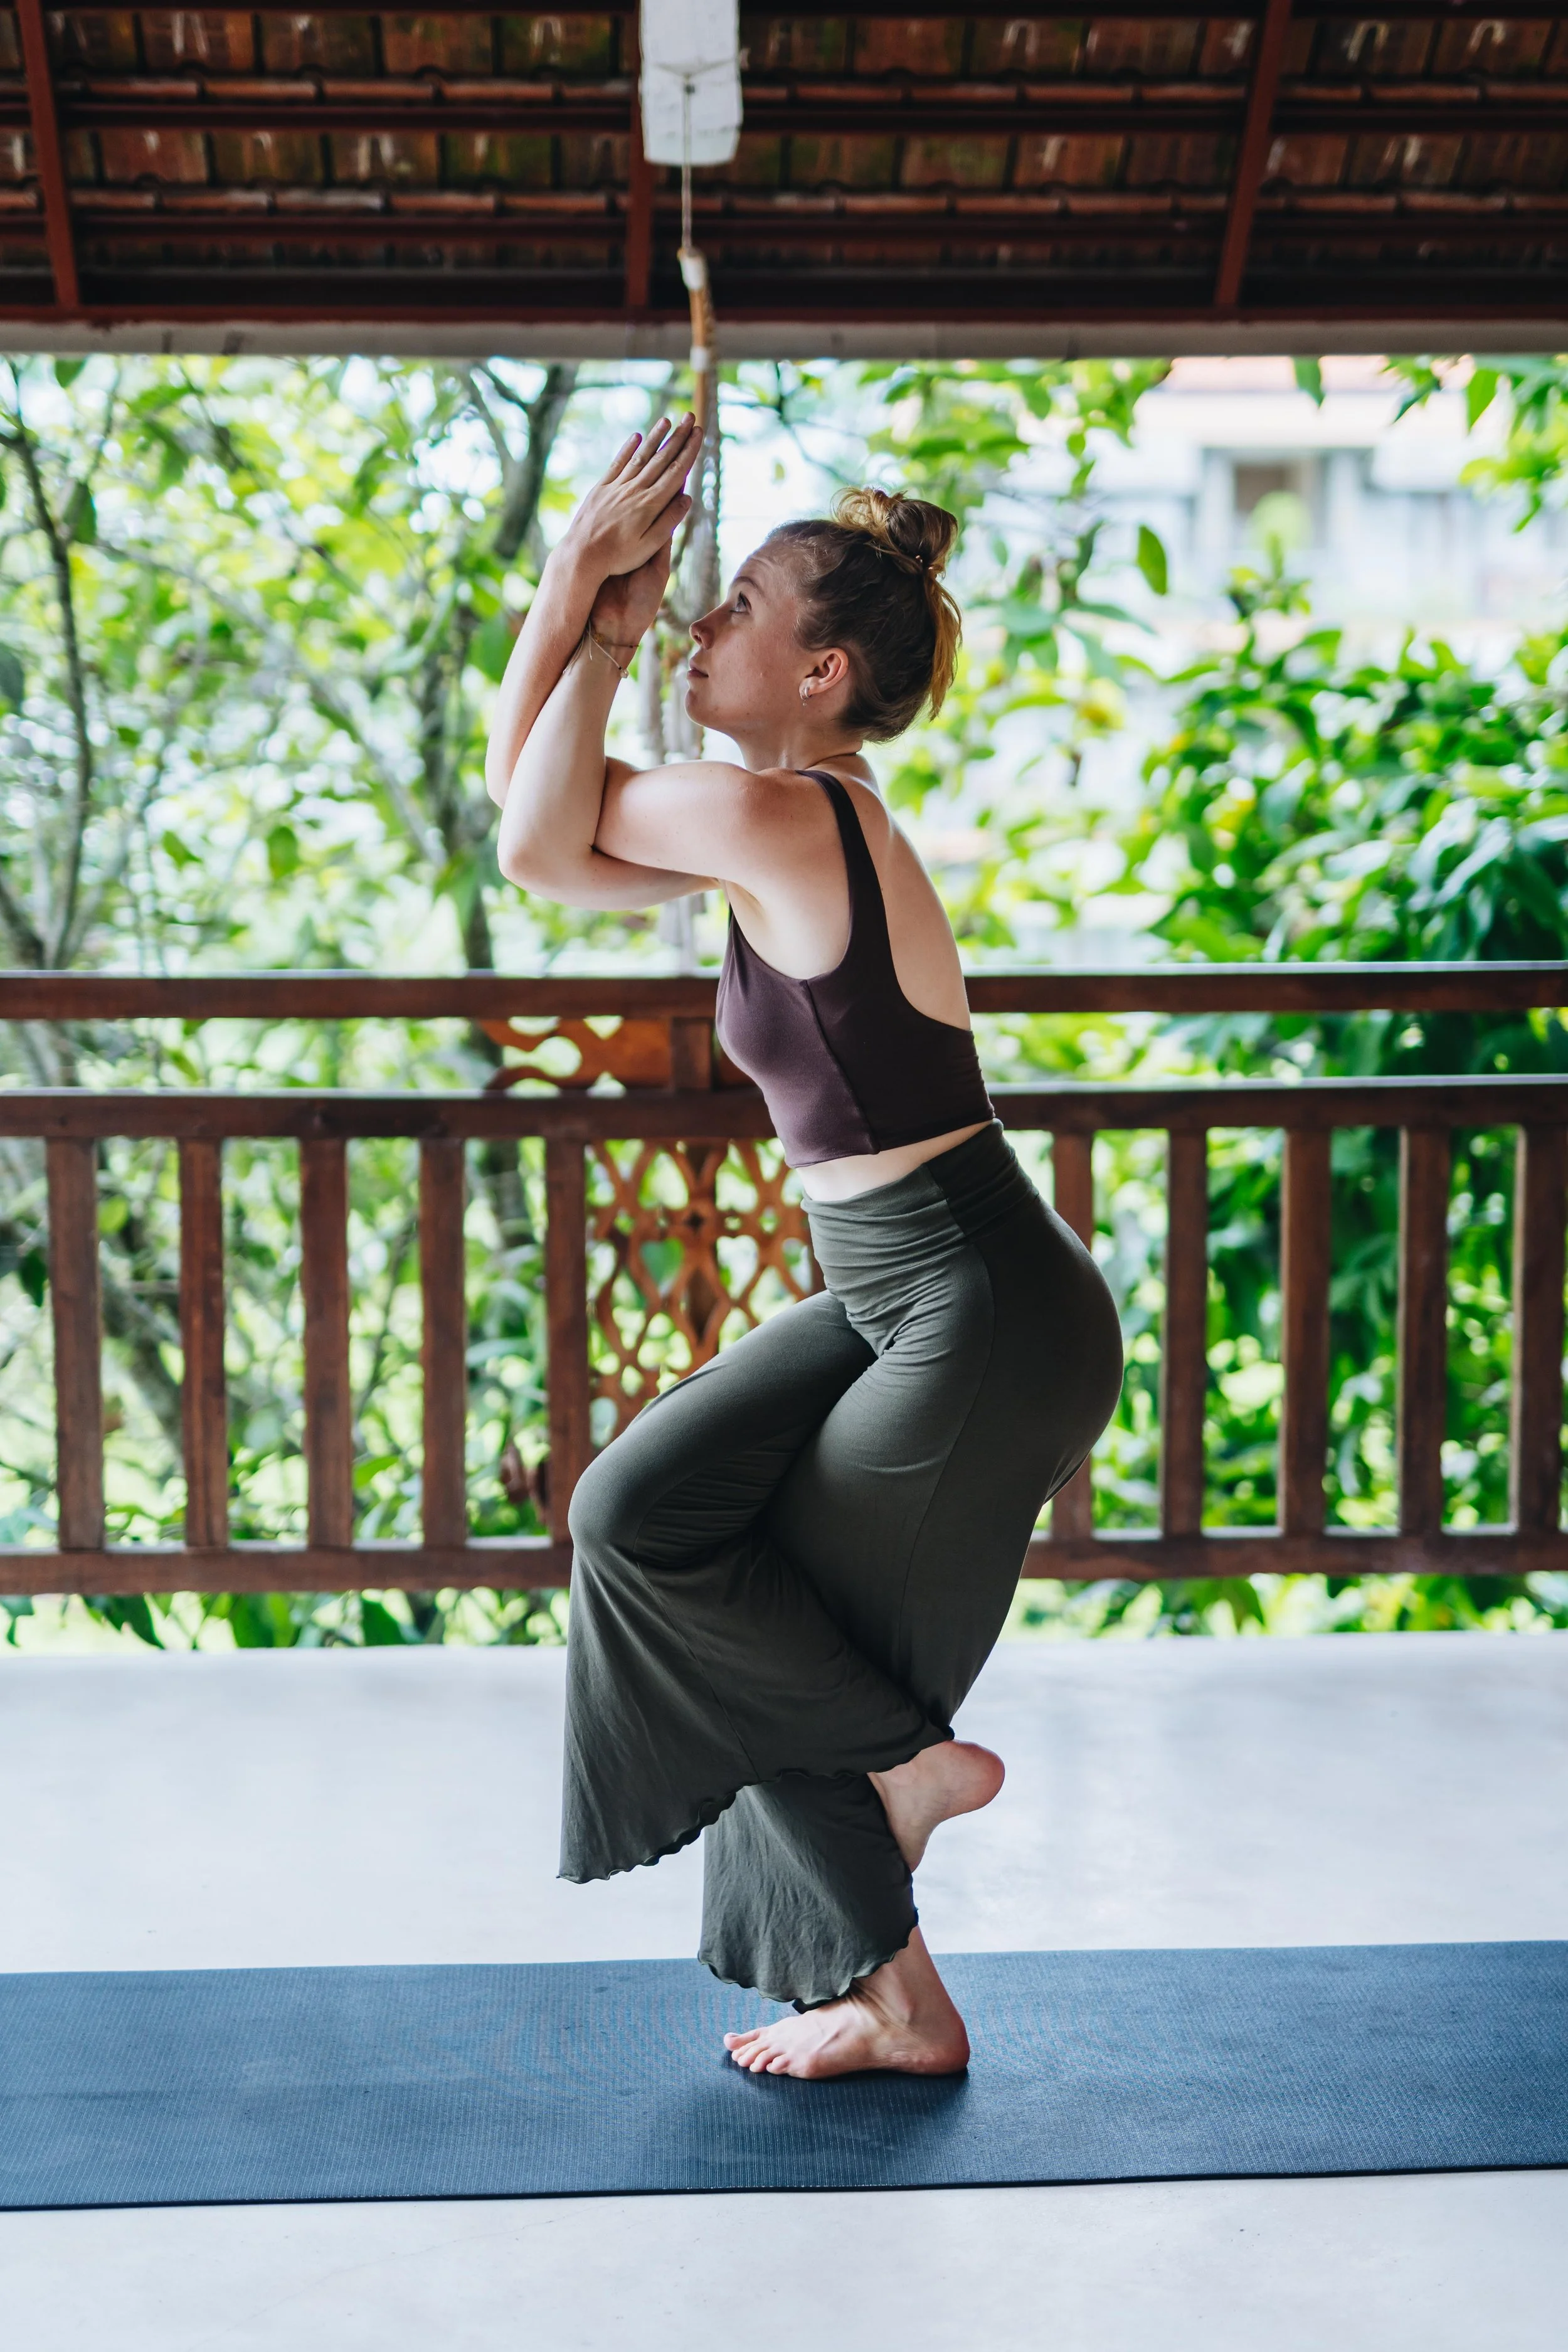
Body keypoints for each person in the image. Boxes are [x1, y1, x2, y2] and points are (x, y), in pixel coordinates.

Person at [485, 414, 1123, 2080]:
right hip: (896, 1288)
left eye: (739, 604)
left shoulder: (786, 820)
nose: (707, 620)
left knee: (739, 1597)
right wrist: (594, 606)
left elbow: (533, 830)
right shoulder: (775, 817)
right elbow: (538, 830)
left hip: (974, 1301)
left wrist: (584, 593)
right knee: (635, 1518)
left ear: (820, 667)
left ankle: (900, 1989)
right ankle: (897, 1785)